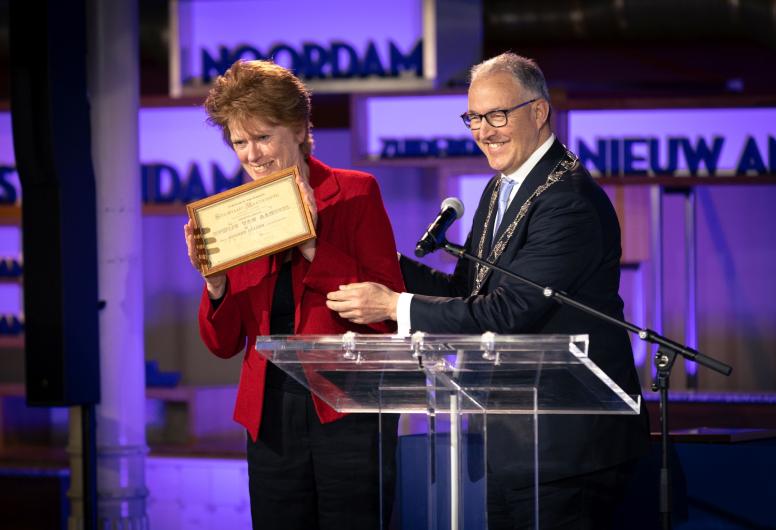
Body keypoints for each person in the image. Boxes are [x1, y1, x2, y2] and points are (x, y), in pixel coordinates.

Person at [326, 52, 650, 529]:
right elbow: (468, 292)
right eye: (474, 117)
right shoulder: (501, 188)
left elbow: (510, 310)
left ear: (538, 112)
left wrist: (395, 305)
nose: (484, 130)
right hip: (513, 439)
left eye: (497, 115)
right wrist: (387, 266)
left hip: (569, 450)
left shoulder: (569, 201)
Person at [184, 59, 404, 530]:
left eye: (263, 137)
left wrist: (312, 245)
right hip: (269, 416)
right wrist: (214, 284)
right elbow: (222, 345)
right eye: (240, 142)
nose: (253, 155)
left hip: (346, 407)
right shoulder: (232, 215)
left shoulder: (355, 194)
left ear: (302, 129)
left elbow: (389, 315)